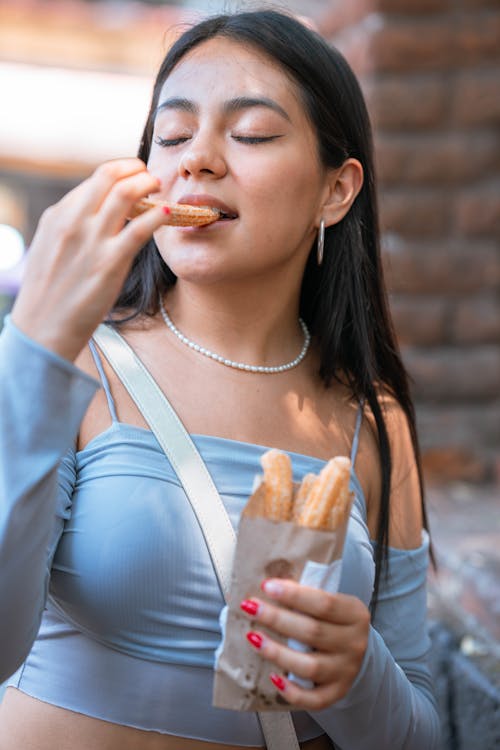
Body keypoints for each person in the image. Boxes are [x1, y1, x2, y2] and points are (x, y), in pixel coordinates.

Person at [0, 9, 440, 750]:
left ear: (337, 190)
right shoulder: (73, 364)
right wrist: (33, 349)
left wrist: (360, 675)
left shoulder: (374, 418)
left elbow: (421, 731)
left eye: (252, 134)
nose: (195, 160)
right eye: (171, 137)